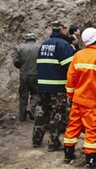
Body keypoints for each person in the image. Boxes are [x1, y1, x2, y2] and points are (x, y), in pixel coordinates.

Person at [63, 27, 96, 168]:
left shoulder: (78, 55)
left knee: (73, 126)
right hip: (92, 100)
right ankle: (91, 161)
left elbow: (71, 78)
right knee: (92, 129)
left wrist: (70, 95)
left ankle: (68, 155)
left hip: (78, 99)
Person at [32, 20, 74, 152]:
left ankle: (36, 140)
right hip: (57, 87)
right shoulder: (63, 44)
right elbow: (70, 67)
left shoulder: (44, 44)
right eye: (65, 28)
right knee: (58, 113)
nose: (66, 31)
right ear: (61, 30)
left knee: (41, 112)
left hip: (43, 86)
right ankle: (53, 142)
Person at [13, 33, 40, 121]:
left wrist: (22, 68)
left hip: (23, 75)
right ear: (35, 39)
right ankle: (31, 108)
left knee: (23, 95)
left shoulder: (20, 48)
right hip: (35, 74)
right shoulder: (39, 48)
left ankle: (22, 117)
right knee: (36, 93)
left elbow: (16, 61)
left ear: (26, 40)